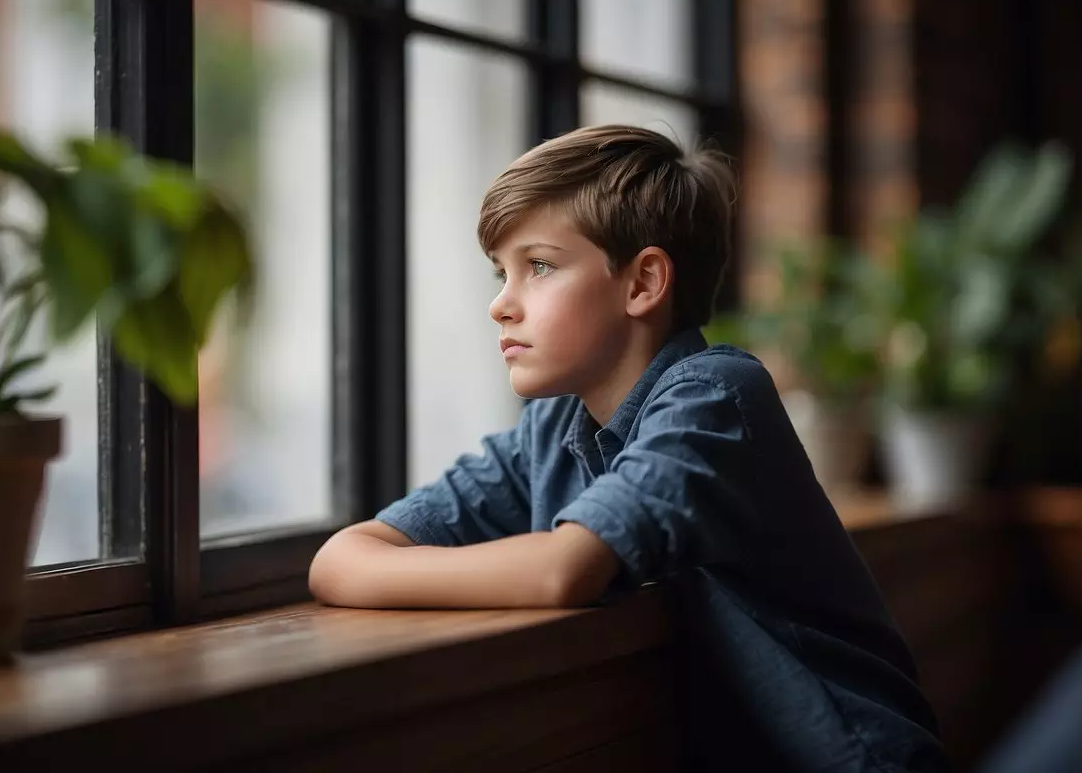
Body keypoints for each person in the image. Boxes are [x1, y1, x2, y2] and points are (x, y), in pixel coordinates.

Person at [309, 125, 949, 771]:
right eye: (499, 274)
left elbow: (565, 571)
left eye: (538, 266)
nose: (500, 305)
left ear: (642, 282)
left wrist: (514, 565)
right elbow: (338, 561)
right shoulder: (550, 430)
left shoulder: (716, 396)